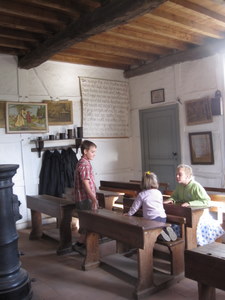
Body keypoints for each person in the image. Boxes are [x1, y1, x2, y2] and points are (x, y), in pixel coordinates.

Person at [164, 164, 225, 245]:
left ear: (188, 176)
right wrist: (170, 200)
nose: (177, 176)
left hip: (199, 215)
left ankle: (194, 245)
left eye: (180, 174)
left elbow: (206, 201)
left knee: (193, 226)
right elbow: (174, 197)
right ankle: (179, 242)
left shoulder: (196, 186)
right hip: (185, 214)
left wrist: (190, 203)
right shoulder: (180, 186)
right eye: (176, 174)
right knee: (172, 222)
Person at [124, 171, 177, 242]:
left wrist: (129, 214)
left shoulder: (142, 194)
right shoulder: (158, 192)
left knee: (149, 232)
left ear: (143, 183)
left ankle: (160, 235)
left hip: (151, 219)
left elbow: (135, 207)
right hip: (163, 217)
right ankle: (165, 230)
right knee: (158, 227)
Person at [73, 140, 98, 255]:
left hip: (82, 198)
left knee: (86, 222)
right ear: (85, 151)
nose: (94, 154)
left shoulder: (81, 162)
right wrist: (93, 198)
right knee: (88, 223)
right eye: (92, 152)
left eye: (95, 152)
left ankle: (81, 244)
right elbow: (85, 183)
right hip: (85, 199)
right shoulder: (84, 164)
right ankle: (81, 245)